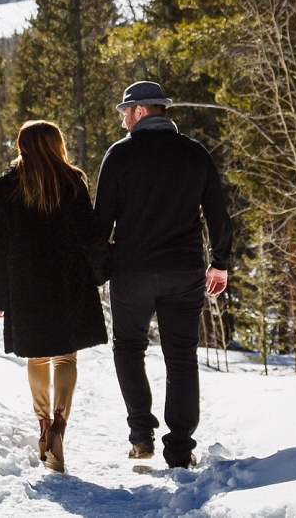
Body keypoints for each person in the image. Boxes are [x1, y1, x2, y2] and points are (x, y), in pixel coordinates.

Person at [94, 80, 232, 468]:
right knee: (182, 357)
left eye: (125, 112)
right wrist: (219, 262)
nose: (123, 120)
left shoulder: (118, 156)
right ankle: (180, 448)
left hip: (132, 273)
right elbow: (219, 215)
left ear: (140, 111)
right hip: (184, 271)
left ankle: (141, 436)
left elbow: (99, 224)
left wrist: (101, 269)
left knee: (128, 349)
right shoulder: (195, 154)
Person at [0, 120, 108, 473]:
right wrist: (103, 271)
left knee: (38, 358)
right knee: (65, 358)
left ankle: (42, 430)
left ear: (22, 145)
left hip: (25, 285)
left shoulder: (5, 186)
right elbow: (89, 235)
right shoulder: (72, 181)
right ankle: (58, 426)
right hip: (68, 282)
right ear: (57, 145)